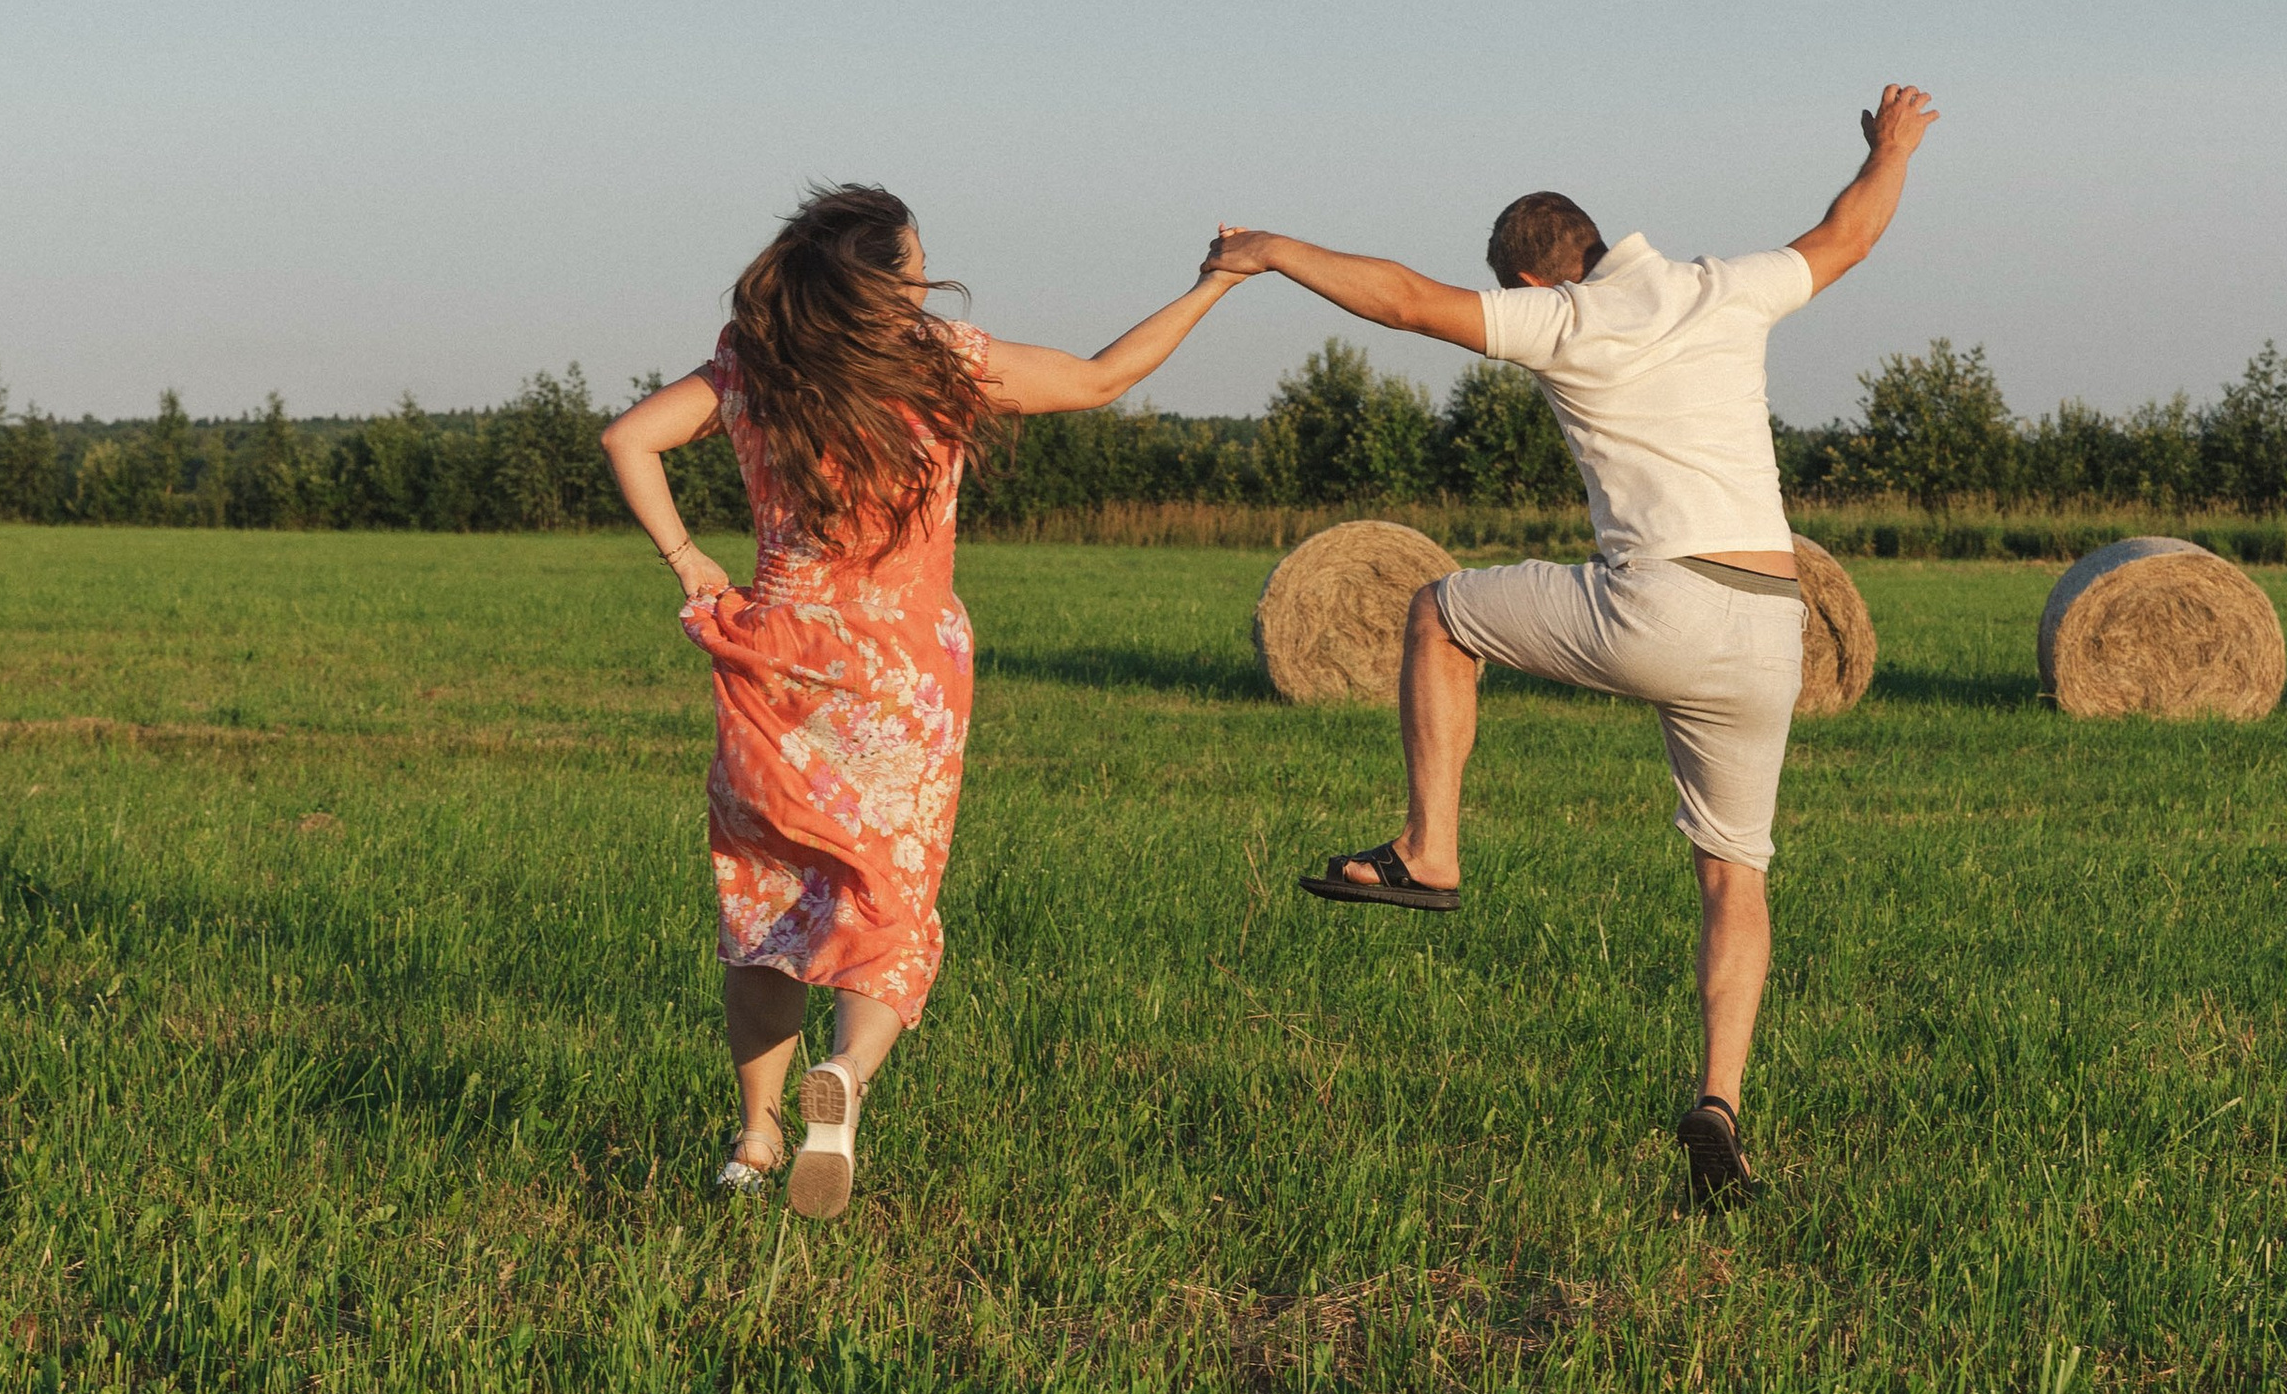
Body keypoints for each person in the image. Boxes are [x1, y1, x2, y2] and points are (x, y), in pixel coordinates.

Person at [1205, 86, 1938, 1203]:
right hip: (1771, 628)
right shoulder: (1718, 288)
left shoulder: (1566, 318)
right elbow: (1851, 231)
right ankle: (1718, 1101)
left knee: (1438, 613)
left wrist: (1271, 249)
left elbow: (1403, 300)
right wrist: (1890, 147)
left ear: (1532, 280)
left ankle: (1430, 851)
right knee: (1733, 875)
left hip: (1663, 606)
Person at [602, 184, 1245, 1219]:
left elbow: (626, 438)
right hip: (902, 671)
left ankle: (754, 1140)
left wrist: (688, 561)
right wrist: (1212, 283)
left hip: (779, 660)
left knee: (764, 900)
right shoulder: (942, 361)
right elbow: (1099, 379)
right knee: (888, 897)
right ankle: (847, 1075)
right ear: (890, 279)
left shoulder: (753, 360)